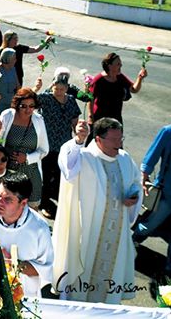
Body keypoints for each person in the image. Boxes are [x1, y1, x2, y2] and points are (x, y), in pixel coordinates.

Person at [52, 118, 142, 304]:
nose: (119, 144)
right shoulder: (85, 157)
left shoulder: (125, 159)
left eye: (121, 139)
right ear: (99, 139)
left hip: (116, 234)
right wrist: (78, 140)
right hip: (89, 234)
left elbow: (135, 183)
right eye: (115, 139)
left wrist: (133, 197)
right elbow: (68, 167)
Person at [0, 172, 54, 297]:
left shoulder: (39, 228)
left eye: (7, 200)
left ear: (23, 203)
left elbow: (46, 268)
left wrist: (11, 263)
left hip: (24, 297)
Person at [35, 74, 81, 219]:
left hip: (64, 144)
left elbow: (74, 120)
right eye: (56, 88)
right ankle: (44, 203)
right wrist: (36, 88)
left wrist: (78, 134)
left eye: (62, 89)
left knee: (61, 174)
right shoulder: (46, 98)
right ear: (52, 86)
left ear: (67, 88)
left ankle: (60, 200)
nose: (59, 91)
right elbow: (28, 99)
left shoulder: (71, 101)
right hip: (47, 144)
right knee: (46, 174)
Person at [0, 88, 48, 210]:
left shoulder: (38, 120)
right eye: (23, 106)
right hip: (9, 173)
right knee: (7, 209)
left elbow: (44, 150)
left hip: (31, 173)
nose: (28, 109)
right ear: (17, 104)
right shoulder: (7, 116)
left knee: (31, 211)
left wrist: (27, 158)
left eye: (31, 106)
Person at [132, 125, 171, 275]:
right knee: (149, 225)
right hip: (166, 193)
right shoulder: (168, 132)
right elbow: (153, 154)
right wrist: (144, 176)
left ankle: (169, 268)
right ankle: (130, 243)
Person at [90, 52, 147, 126]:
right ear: (109, 66)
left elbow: (134, 89)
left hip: (116, 117)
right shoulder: (99, 80)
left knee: (116, 137)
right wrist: (90, 117)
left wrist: (140, 78)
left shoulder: (120, 77)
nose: (121, 65)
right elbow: (90, 98)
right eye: (118, 64)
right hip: (101, 118)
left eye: (120, 63)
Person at [0, 48, 20, 113]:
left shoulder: (13, 69)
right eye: (14, 58)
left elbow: (18, 86)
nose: (15, 60)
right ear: (7, 58)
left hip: (11, 103)